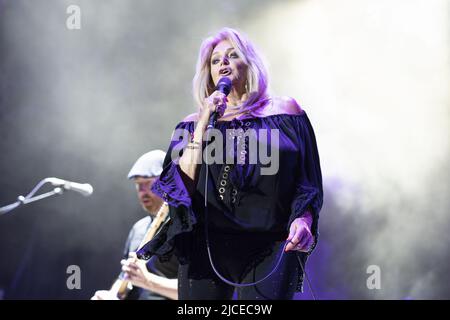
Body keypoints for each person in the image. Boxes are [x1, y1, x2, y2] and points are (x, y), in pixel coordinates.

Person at [137, 27, 323, 300]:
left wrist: (303, 220)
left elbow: (307, 184)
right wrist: (204, 120)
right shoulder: (191, 124)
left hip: (271, 244)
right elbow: (180, 189)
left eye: (232, 55)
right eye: (215, 60)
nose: (222, 63)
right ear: (208, 73)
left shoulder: (286, 112)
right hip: (207, 246)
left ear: (250, 64)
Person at [91, 150, 179, 300]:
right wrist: (113, 295)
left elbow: (201, 291)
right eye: (138, 185)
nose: (142, 192)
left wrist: (149, 282)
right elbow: (125, 278)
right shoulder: (139, 228)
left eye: (148, 183)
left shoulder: (186, 226)